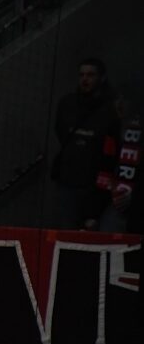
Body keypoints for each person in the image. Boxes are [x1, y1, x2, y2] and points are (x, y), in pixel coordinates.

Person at [52, 57, 119, 230]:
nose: (85, 79)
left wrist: (96, 206)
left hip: (92, 185)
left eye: (90, 75)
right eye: (81, 74)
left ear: (101, 78)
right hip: (68, 180)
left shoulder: (110, 111)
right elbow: (60, 131)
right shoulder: (67, 104)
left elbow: (110, 157)